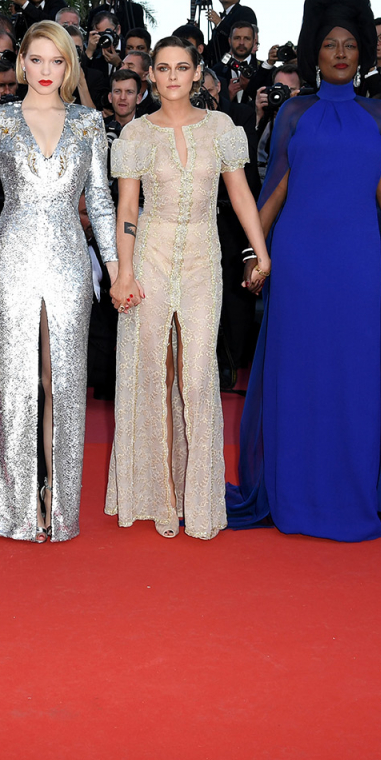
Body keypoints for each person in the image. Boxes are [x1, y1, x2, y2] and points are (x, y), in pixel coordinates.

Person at [227, 0, 381, 541]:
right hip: (300, 265)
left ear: (363, 52)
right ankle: (293, 487)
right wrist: (257, 252)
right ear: (314, 55)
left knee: (353, 375)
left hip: (359, 265)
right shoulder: (295, 111)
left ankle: (352, 487)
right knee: (299, 375)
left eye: (349, 45)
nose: (340, 53)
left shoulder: (380, 115)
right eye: (329, 45)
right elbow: (274, 191)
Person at [0, 20, 115, 542]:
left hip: (70, 259)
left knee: (64, 381)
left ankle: (59, 506)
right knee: (13, 385)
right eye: (37, 59)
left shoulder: (90, 123)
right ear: (21, 62)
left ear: (69, 66)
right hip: (10, 259)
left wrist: (118, 271)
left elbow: (103, 205)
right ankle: (17, 511)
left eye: (58, 60)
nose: (47, 71)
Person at [107, 36, 270, 539]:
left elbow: (241, 193)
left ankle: (199, 498)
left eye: (182, 67)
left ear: (198, 73)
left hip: (203, 259)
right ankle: (158, 495)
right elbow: (128, 208)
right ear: (150, 76)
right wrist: (123, 272)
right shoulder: (134, 134)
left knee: (197, 378)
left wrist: (261, 250)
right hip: (150, 257)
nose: (173, 75)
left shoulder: (223, 128)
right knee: (149, 374)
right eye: (163, 68)